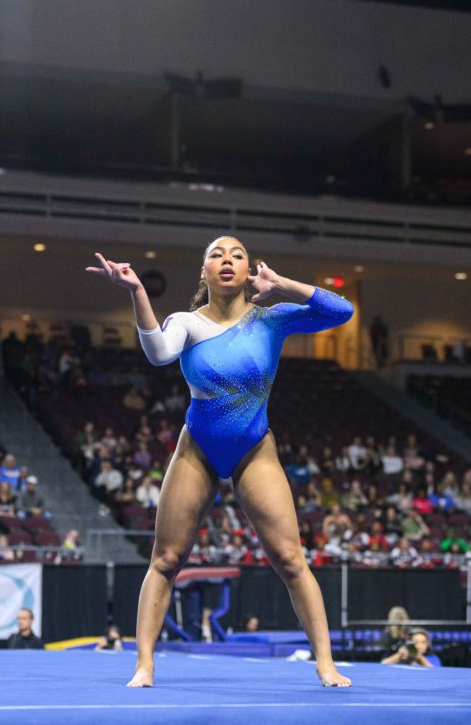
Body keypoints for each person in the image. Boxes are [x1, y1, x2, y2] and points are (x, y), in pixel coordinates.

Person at [86, 235, 354, 688]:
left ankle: (326, 664)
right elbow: (158, 353)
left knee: (290, 558)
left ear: (250, 270)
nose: (226, 260)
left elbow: (342, 312)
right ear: (204, 272)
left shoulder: (272, 320)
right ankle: (144, 665)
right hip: (198, 448)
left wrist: (284, 284)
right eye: (216, 254)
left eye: (237, 255)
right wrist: (137, 292)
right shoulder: (186, 323)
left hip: (254, 448)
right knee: (167, 559)